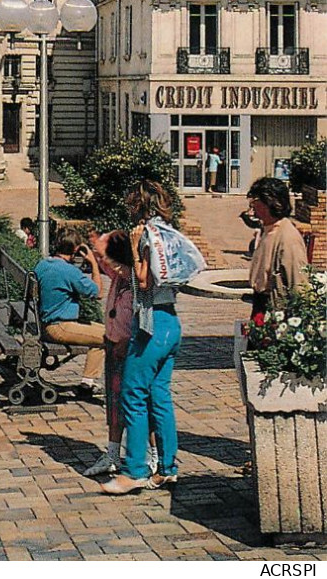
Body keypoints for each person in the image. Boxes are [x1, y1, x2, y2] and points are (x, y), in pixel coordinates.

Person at [102, 181, 182, 496]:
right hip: (171, 320)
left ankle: (133, 470)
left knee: (132, 394)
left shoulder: (147, 234)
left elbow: (145, 281)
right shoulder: (170, 232)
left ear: (139, 205)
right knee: (159, 396)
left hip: (150, 323)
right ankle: (167, 468)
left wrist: (134, 253)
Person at [84, 230, 158, 478]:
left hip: (130, 350)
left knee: (140, 403)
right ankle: (113, 453)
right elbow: (107, 265)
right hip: (113, 345)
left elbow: (142, 318)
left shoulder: (136, 283)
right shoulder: (118, 276)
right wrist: (97, 251)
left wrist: (127, 340)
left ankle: (153, 455)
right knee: (114, 404)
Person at [34, 230, 105, 399]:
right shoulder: (69, 271)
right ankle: (87, 384)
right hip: (59, 327)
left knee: (106, 330)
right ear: (75, 250)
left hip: (46, 323)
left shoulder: (43, 264)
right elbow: (98, 293)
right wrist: (94, 263)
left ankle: (88, 381)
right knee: (108, 336)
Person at [247, 177, 308, 316]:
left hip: (274, 310)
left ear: (272, 203)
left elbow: (299, 284)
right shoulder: (267, 229)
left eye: (257, 201)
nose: (252, 205)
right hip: (260, 305)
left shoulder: (287, 238)